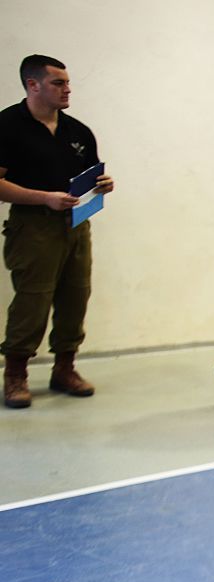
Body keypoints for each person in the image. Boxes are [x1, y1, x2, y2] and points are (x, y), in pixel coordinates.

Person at [0, 54, 115, 409]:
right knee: (33, 299)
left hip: (77, 224)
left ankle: (65, 367)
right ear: (32, 85)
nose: (67, 90)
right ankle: (16, 374)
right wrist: (43, 199)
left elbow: (91, 175)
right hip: (32, 226)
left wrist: (104, 184)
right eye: (58, 83)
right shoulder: (8, 126)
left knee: (75, 296)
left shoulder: (77, 131)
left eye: (67, 82)